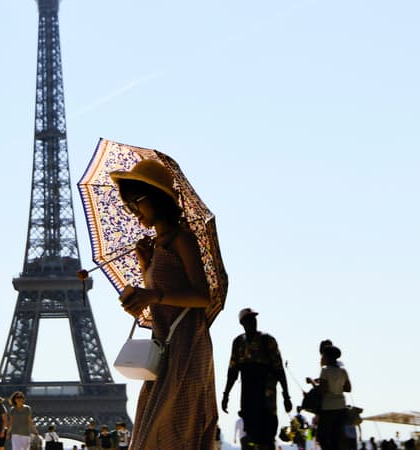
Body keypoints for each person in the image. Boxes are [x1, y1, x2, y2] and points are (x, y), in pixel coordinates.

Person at [110, 159, 219, 449]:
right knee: (152, 432)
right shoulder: (157, 246)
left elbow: (202, 296)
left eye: (136, 202)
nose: (134, 212)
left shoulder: (182, 239)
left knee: (173, 428)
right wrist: (145, 265)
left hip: (186, 345)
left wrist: (152, 296)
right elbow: (158, 294)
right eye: (129, 206)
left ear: (156, 197)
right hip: (164, 345)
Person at [222, 308, 293, 450]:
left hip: (267, 397)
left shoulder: (268, 340)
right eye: (248, 320)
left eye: (254, 319)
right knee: (251, 434)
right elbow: (232, 372)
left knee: (267, 436)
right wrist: (226, 395)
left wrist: (286, 396)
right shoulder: (238, 343)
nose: (252, 322)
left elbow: (279, 370)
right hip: (248, 398)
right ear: (242, 323)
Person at [306, 345, 351, 450]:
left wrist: (312, 382)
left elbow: (323, 390)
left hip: (328, 408)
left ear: (327, 357)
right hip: (341, 407)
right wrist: (337, 386)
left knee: (321, 437)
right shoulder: (343, 371)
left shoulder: (325, 370)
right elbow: (348, 388)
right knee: (335, 437)